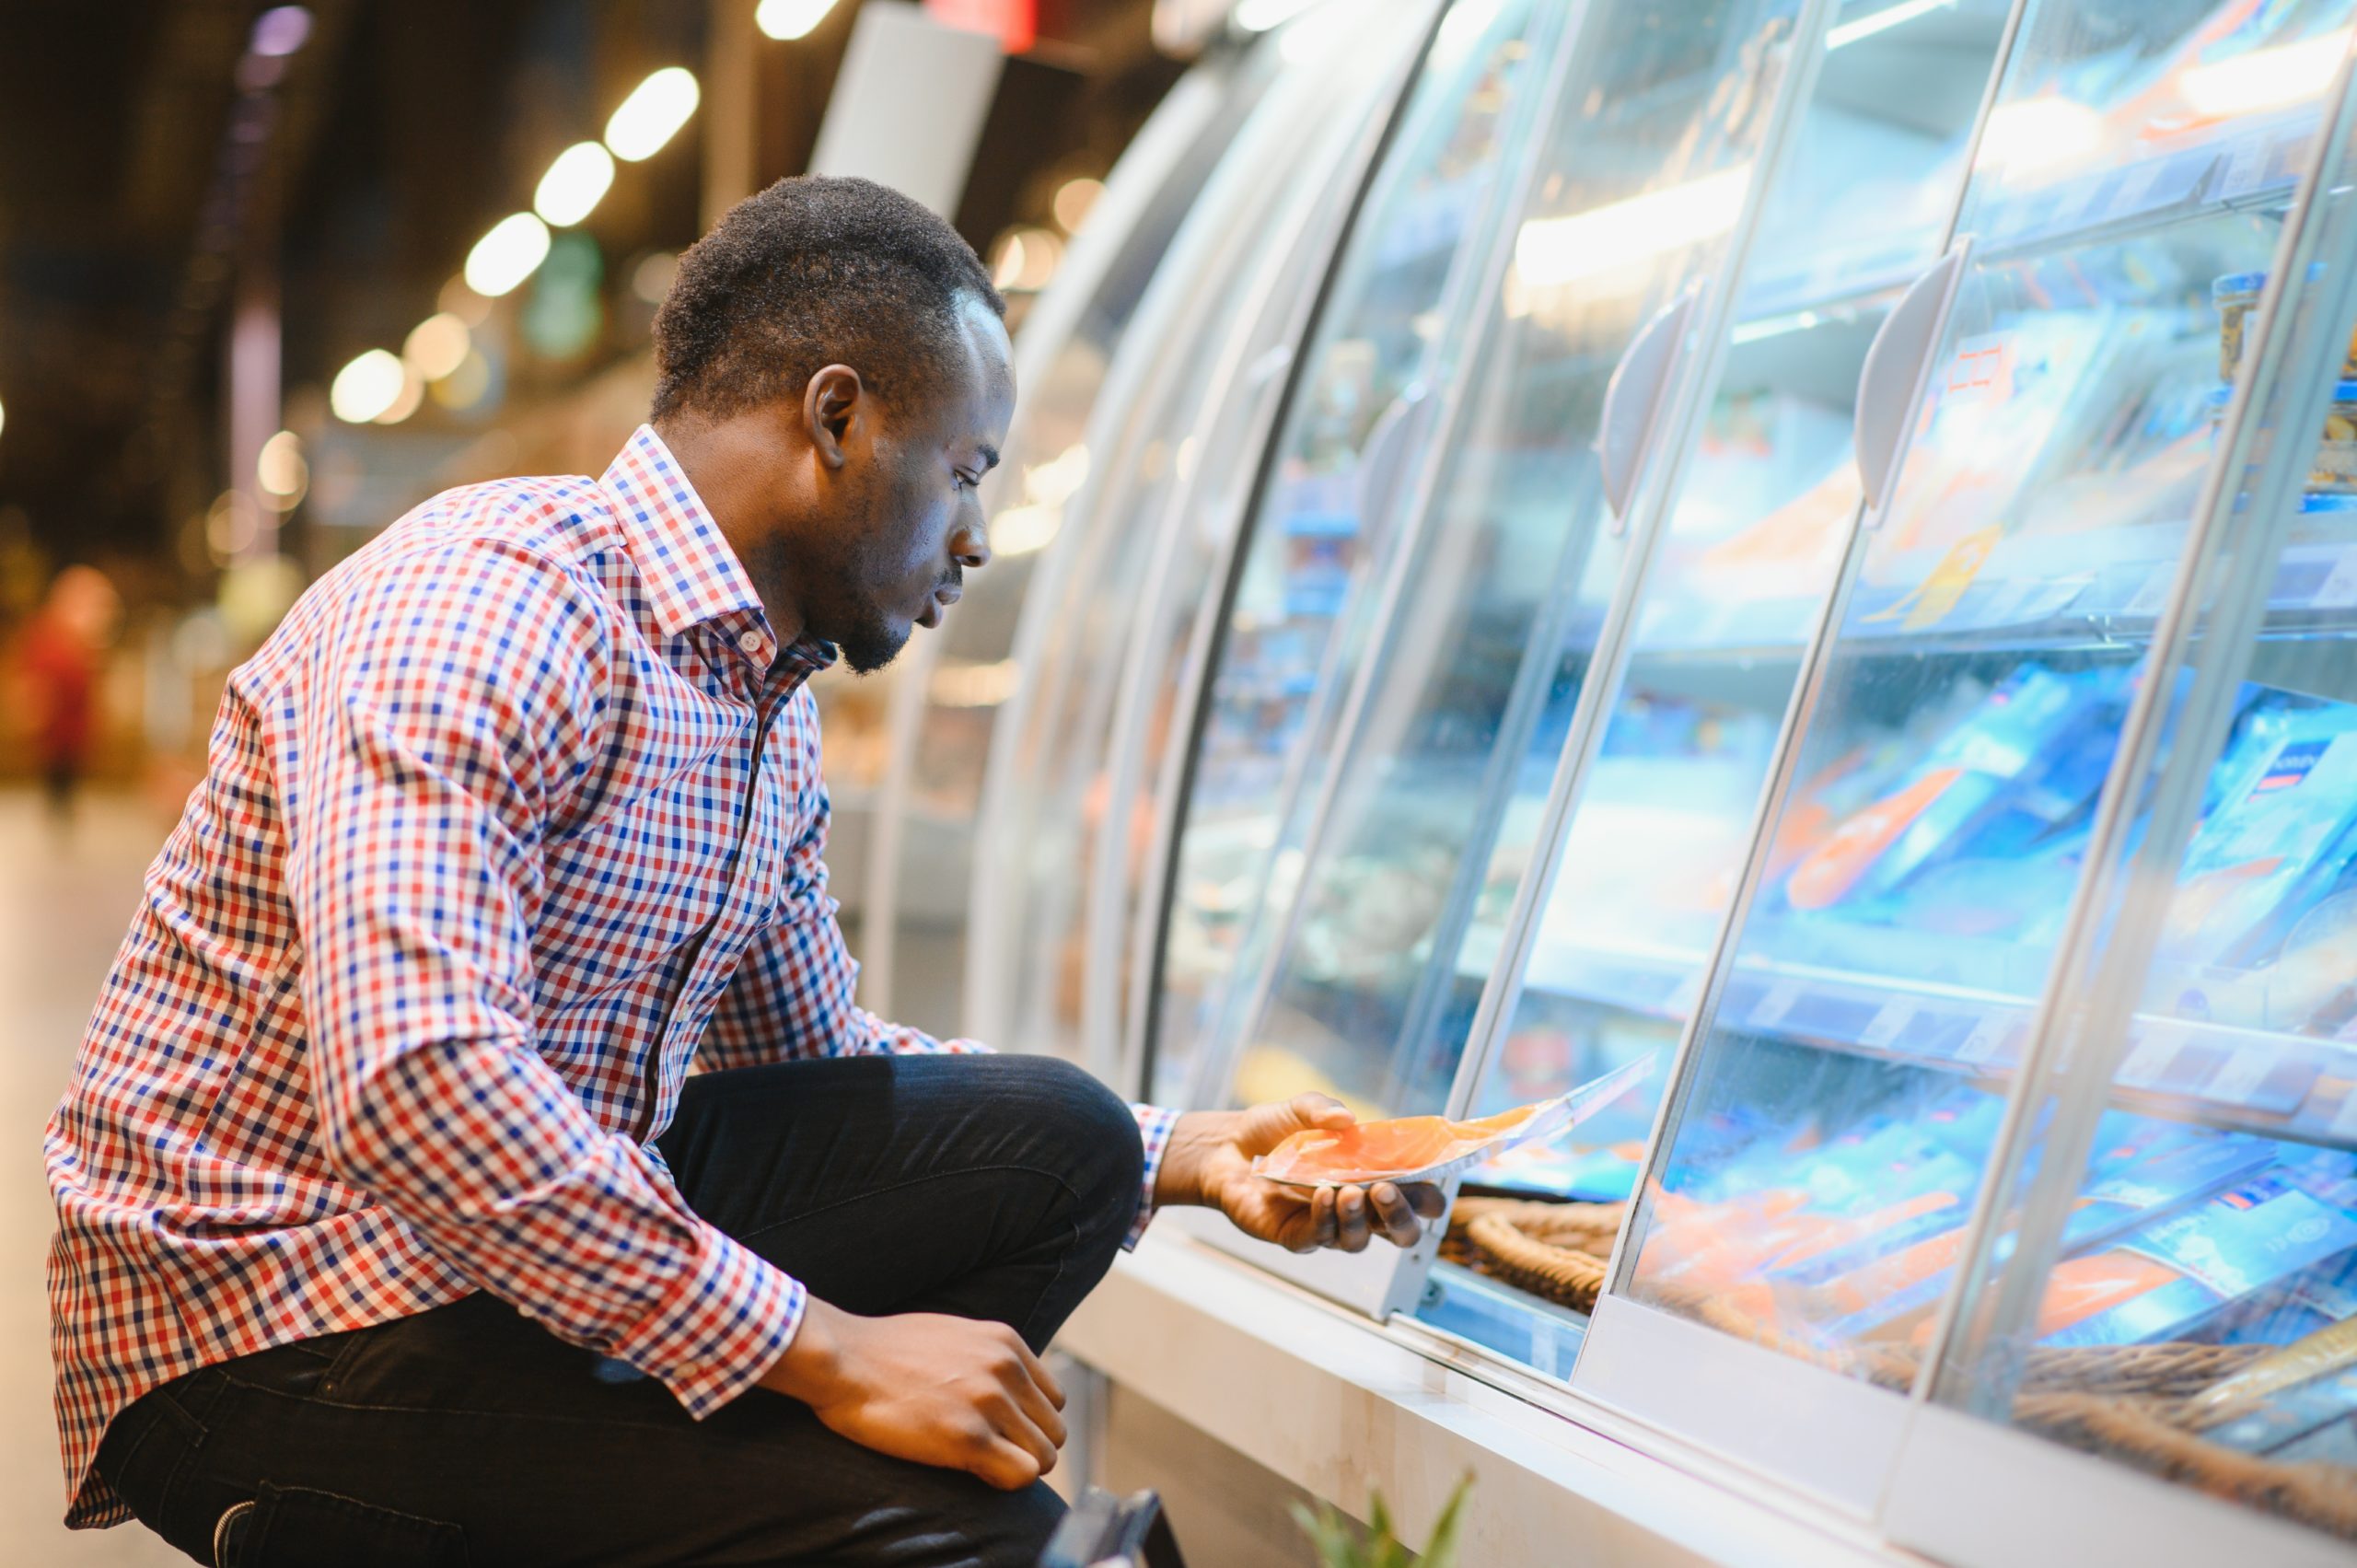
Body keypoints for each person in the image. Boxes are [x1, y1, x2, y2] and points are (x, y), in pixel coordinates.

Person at [47, 175, 1441, 1568]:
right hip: (276, 1321)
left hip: (493, 1271)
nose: (979, 534)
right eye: (964, 471)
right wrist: (833, 1357)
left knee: (1058, 1142)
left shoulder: (763, 702)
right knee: (992, 1537)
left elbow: (820, 1063)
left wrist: (1179, 1147)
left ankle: (764, 1488)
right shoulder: (493, 599)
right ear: (837, 419)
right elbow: (417, 1079)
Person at [17, 564, 116, 821]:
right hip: (55, 745)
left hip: (73, 746)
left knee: (64, 802)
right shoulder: (52, 642)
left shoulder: (80, 647)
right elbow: (37, 695)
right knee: (57, 804)